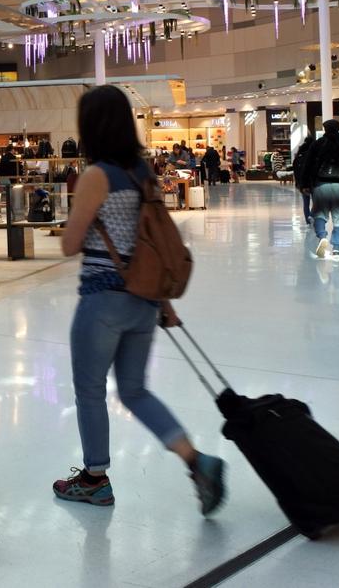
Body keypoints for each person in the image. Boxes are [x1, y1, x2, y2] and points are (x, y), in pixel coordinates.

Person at [53, 85, 226, 515]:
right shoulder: (142, 172)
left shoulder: (96, 177)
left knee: (90, 390)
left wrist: (74, 218)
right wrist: (163, 300)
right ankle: (196, 460)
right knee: (134, 390)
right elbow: (154, 238)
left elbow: (70, 245)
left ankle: (94, 479)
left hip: (102, 300)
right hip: (145, 300)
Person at [300, 119, 339, 259]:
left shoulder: (317, 145)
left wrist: (304, 184)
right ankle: (336, 247)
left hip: (320, 185)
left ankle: (322, 236)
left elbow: (307, 165)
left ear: (325, 129)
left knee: (320, 214)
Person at [291, 135, 315, 224]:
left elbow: (295, 172)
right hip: (312, 183)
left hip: (302, 183)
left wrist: (298, 183)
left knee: (306, 203)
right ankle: (311, 216)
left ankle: (308, 220)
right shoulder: (313, 155)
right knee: (316, 202)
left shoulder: (298, 157)